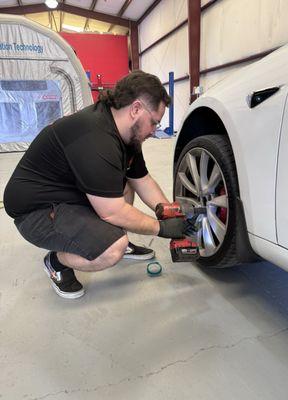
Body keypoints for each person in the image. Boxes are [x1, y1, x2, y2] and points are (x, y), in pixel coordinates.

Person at [4, 70, 188, 299]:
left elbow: (142, 180)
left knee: (125, 184)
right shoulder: (95, 138)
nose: (154, 131)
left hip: (69, 194)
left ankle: (103, 237)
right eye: (154, 122)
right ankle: (56, 262)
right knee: (113, 250)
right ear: (136, 109)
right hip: (37, 211)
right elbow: (112, 212)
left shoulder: (127, 135)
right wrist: (161, 228)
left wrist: (170, 214)